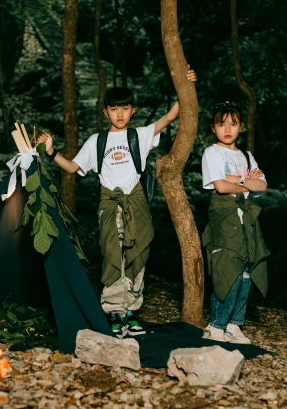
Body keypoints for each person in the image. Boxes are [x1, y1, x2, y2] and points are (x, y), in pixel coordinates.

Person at [37, 68, 196, 337]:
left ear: (132, 111)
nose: (120, 114)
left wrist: (186, 83)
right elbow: (73, 167)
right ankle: (114, 312)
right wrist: (52, 152)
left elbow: (171, 115)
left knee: (137, 256)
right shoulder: (96, 141)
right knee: (112, 257)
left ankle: (132, 312)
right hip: (109, 206)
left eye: (125, 108)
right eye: (114, 109)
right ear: (105, 112)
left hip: (136, 205)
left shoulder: (140, 135)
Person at [200, 101, 270, 344]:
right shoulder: (212, 152)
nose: (227, 129)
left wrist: (235, 179)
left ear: (241, 126)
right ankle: (215, 326)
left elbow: (262, 186)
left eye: (233, 123)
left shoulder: (246, 156)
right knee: (227, 269)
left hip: (247, 218)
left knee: (247, 271)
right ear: (213, 127)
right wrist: (245, 181)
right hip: (225, 218)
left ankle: (233, 325)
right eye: (221, 124)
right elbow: (219, 186)